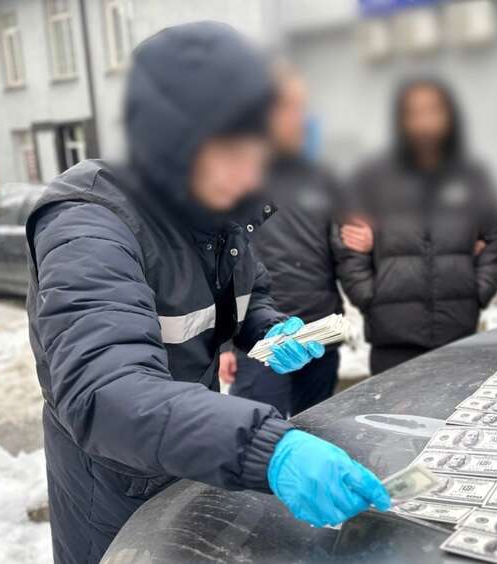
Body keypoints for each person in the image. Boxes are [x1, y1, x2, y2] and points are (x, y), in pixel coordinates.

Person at [25, 23, 390, 564]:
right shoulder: (89, 224)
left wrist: (269, 328)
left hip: (190, 451)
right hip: (113, 484)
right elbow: (105, 390)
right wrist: (265, 449)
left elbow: (243, 297)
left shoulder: (216, 211)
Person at [336, 77, 497, 374]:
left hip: (457, 333)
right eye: (414, 113)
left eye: (433, 110)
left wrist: (478, 290)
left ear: (449, 116)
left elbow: (496, 235)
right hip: (393, 339)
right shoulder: (373, 177)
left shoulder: (472, 176)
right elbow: (346, 240)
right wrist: (369, 295)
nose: (424, 122)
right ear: (401, 120)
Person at [218, 64, 343, 416]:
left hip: (318, 333)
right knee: (257, 434)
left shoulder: (322, 177)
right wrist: (224, 345)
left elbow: (343, 249)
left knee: (318, 428)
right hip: (260, 339)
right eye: (286, 108)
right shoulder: (237, 177)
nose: (297, 118)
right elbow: (220, 263)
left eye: (301, 107)